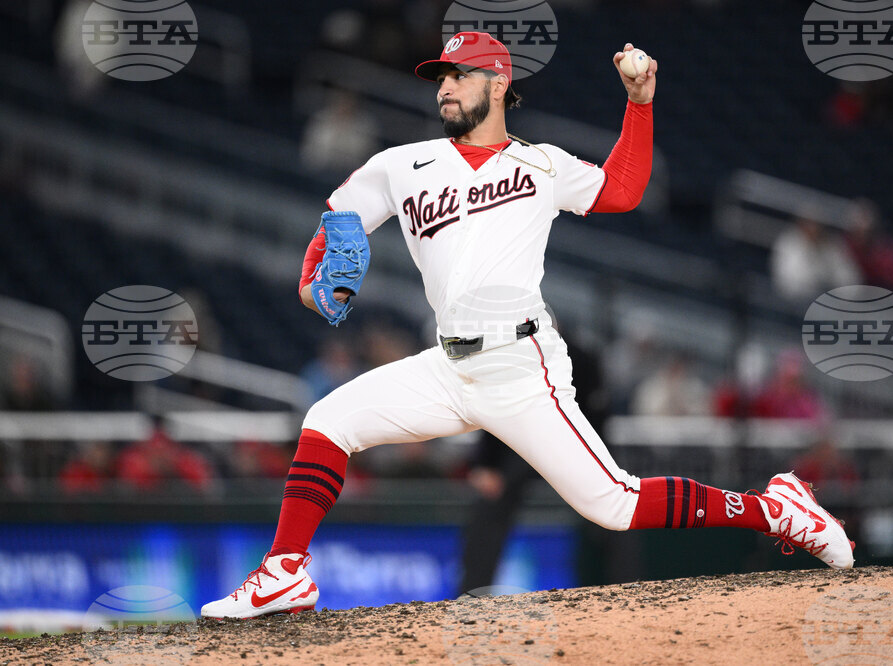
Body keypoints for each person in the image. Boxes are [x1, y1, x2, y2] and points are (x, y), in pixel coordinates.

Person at [201, 33, 854, 620]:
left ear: (499, 85)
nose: (446, 87)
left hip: (522, 364)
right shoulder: (400, 165)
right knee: (326, 423)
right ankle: (284, 572)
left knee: (616, 505)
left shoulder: (541, 164)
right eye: (441, 77)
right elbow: (338, 225)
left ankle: (775, 510)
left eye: (459, 74)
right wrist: (319, 283)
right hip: (448, 365)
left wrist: (640, 103)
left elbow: (622, 190)